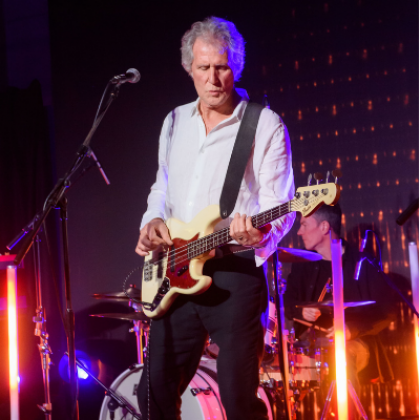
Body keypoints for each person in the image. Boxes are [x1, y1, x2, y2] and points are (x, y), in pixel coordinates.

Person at [134, 17, 295, 420]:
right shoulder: (173, 123)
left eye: (221, 67)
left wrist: (258, 235)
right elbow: (161, 187)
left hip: (234, 273)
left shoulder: (264, 124)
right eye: (203, 68)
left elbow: (282, 205)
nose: (213, 79)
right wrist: (152, 220)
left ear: (236, 66)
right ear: (189, 68)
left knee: (240, 402)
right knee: (152, 394)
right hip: (175, 269)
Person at [284, 204, 395, 394]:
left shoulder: (362, 263)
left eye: (303, 225)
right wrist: (300, 311)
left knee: (341, 355)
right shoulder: (301, 264)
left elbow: (386, 312)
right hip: (309, 342)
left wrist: (352, 329)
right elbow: (285, 303)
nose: (299, 232)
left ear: (324, 227)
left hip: (354, 340)